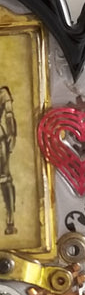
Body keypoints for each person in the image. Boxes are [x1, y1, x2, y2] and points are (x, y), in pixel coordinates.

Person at [0, 86, 17, 234]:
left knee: (5, 179)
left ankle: (10, 220)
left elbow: (9, 114)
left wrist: (12, 132)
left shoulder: (2, 93)